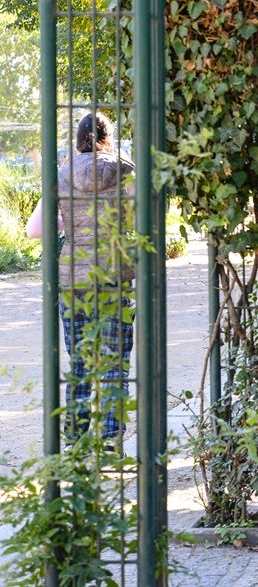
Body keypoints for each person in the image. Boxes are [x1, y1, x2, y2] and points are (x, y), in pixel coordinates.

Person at [28, 112, 136, 444]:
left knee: (79, 359)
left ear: (78, 139)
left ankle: (75, 435)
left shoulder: (61, 174)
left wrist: (70, 225)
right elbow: (142, 219)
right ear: (108, 137)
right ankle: (110, 436)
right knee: (114, 358)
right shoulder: (126, 171)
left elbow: (34, 230)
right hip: (114, 275)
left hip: (73, 278)